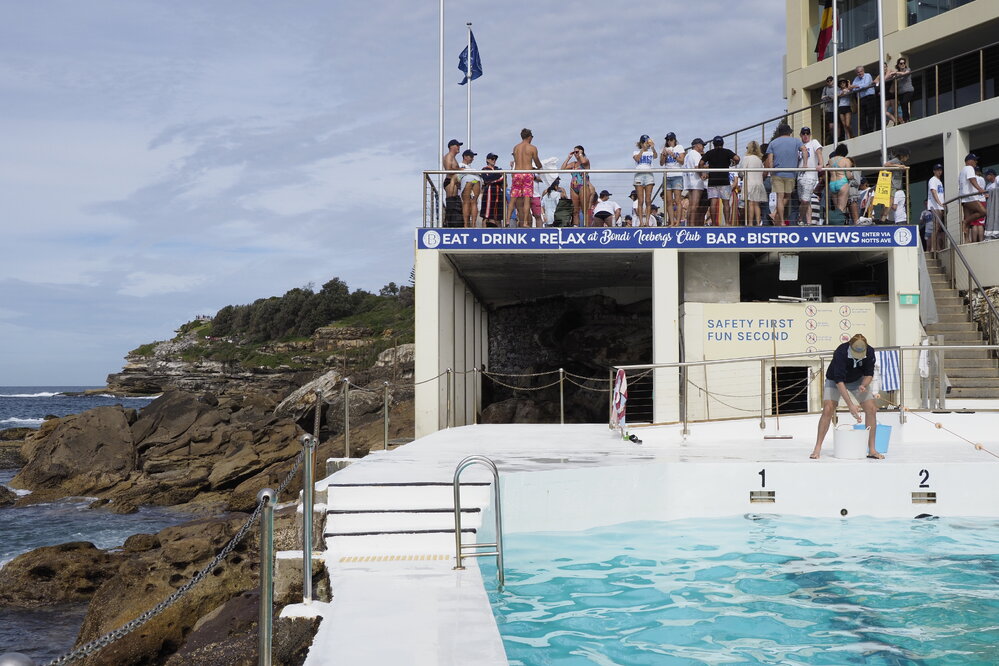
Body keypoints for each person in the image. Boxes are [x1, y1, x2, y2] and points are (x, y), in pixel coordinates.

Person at [811, 334, 883, 460]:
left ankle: (871, 449)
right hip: (835, 380)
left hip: (858, 381)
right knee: (828, 409)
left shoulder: (870, 351)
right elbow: (839, 381)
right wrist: (851, 406)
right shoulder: (841, 351)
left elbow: (869, 373)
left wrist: (864, 385)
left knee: (871, 409)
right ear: (850, 346)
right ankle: (817, 447)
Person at [764, 123, 799, 226]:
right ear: (789, 132)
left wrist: (771, 171)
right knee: (787, 196)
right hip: (790, 173)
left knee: (780, 197)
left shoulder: (773, 143)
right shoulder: (796, 141)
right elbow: (804, 150)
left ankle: (779, 219)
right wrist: (804, 164)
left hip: (777, 173)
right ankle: (775, 215)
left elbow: (770, 160)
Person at [700, 136, 739, 226]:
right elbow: (737, 158)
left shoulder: (710, 153)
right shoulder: (727, 151)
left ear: (713, 144)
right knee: (726, 203)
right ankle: (727, 223)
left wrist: (703, 172)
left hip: (713, 180)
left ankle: (714, 223)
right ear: (723, 143)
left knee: (713, 203)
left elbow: (701, 163)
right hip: (724, 180)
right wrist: (733, 163)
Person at [511, 128, 543, 229]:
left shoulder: (515, 148)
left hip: (516, 174)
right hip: (527, 175)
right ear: (529, 137)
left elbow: (517, 161)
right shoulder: (532, 148)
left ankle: (508, 220)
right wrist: (538, 167)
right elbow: (537, 162)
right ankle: (525, 222)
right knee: (527, 199)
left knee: (516, 201)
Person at [797, 127, 823, 227]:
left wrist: (821, 164)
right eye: (803, 133)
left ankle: (799, 218)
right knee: (805, 202)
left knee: (805, 200)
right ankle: (809, 222)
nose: (805, 135)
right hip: (800, 176)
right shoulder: (799, 146)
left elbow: (819, 152)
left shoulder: (814, 142)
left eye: (807, 133)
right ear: (800, 135)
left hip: (810, 175)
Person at [562, 145, 593, 227]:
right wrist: (568, 157)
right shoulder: (573, 164)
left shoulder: (585, 161)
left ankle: (586, 227)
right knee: (575, 210)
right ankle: (576, 225)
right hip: (573, 187)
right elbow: (562, 169)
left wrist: (580, 154)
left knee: (584, 209)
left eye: (576, 152)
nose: (575, 154)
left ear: (581, 152)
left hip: (583, 186)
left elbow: (583, 162)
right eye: (574, 152)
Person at [959, 153, 987, 243]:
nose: (976, 162)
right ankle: (965, 221)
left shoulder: (962, 170)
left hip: (963, 197)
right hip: (969, 197)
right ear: (969, 161)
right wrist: (980, 189)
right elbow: (972, 179)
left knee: (967, 218)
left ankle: (967, 240)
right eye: (974, 160)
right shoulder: (969, 168)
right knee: (983, 212)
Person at [659, 132, 685, 226]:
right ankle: (671, 221)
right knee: (668, 201)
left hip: (677, 175)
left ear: (674, 140)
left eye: (671, 140)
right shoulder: (664, 149)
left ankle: (678, 222)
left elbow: (682, 161)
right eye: (667, 140)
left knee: (677, 200)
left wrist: (673, 155)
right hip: (667, 176)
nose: (669, 142)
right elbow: (661, 163)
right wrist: (664, 155)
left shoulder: (680, 147)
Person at [633, 135, 658, 226]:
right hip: (639, 175)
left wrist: (652, 147)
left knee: (648, 200)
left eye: (647, 142)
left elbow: (655, 156)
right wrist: (642, 149)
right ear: (641, 143)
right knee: (640, 200)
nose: (646, 144)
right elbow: (637, 158)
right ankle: (640, 221)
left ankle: (647, 222)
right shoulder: (636, 151)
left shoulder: (650, 152)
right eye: (645, 142)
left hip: (649, 175)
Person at [826, 144, 852, 225]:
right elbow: (848, 175)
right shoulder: (846, 160)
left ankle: (835, 224)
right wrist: (852, 176)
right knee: (841, 208)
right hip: (842, 182)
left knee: (837, 207)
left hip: (832, 183)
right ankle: (840, 226)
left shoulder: (831, 160)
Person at [742, 141, 767, 226]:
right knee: (757, 204)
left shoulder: (746, 158)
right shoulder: (759, 160)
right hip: (759, 183)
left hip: (749, 183)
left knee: (751, 204)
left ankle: (750, 223)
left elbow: (742, 172)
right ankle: (758, 222)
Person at [684, 138, 707, 225]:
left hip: (689, 180)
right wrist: (703, 173)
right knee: (695, 205)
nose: (703, 147)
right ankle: (692, 224)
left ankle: (689, 223)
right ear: (697, 145)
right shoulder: (696, 154)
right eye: (702, 145)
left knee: (691, 205)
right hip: (696, 181)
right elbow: (697, 167)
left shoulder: (688, 155)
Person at [850, 65, 877, 134]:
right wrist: (858, 87)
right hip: (861, 98)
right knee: (862, 115)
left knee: (870, 114)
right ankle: (865, 131)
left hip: (870, 97)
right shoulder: (856, 79)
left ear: (863, 71)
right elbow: (852, 89)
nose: (860, 73)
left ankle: (871, 130)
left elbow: (866, 85)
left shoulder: (868, 75)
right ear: (856, 73)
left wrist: (856, 86)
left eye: (861, 71)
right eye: (858, 72)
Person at [479, 153, 504, 227]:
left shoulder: (498, 169)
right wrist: (497, 175)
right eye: (492, 159)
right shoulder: (485, 169)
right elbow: (487, 179)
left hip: (499, 193)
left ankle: (501, 233)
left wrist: (494, 177)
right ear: (487, 160)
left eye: (495, 159)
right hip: (489, 193)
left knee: (499, 217)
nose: (494, 160)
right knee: (487, 216)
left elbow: (503, 179)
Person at [888, 56, 914, 123]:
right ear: (898, 65)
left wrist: (896, 73)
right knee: (903, 106)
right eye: (901, 63)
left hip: (908, 91)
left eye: (904, 63)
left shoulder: (908, 69)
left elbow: (905, 74)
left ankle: (907, 119)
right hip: (901, 92)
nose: (902, 65)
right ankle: (906, 119)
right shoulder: (897, 73)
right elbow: (891, 80)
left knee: (904, 103)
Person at [459, 149, 481, 227]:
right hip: (475, 181)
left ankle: (466, 224)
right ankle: (474, 224)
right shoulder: (461, 164)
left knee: (466, 202)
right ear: (465, 157)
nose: (472, 158)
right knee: (474, 202)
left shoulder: (464, 166)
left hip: (468, 182)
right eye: (471, 156)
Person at [927, 163, 946, 251]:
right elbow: (934, 192)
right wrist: (940, 203)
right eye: (937, 170)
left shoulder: (939, 181)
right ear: (934, 171)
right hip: (935, 207)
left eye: (940, 170)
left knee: (938, 228)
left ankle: (936, 247)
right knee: (936, 227)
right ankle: (932, 248)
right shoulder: (933, 180)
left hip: (939, 207)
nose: (939, 171)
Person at [820, 76, 836, 144]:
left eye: (830, 80)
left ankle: (838, 138)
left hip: (836, 108)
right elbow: (822, 97)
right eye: (828, 81)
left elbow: (838, 95)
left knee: (837, 125)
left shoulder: (836, 87)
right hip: (829, 109)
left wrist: (830, 97)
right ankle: (833, 138)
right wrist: (828, 97)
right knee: (831, 126)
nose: (829, 82)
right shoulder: (825, 88)